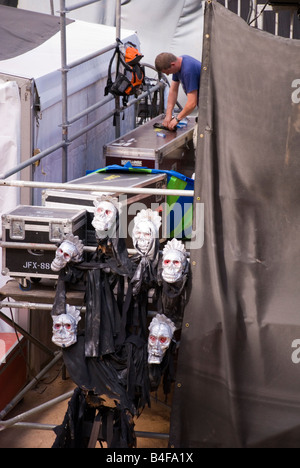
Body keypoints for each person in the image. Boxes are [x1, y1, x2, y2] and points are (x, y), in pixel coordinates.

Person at [155, 52, 201, 131]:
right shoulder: (179, 63)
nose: (168, 74)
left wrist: (177, 119)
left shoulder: (188, 70)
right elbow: (173, 91)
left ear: (172, 64)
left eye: (167, 72)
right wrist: (168, 114)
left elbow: (192, 103)